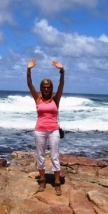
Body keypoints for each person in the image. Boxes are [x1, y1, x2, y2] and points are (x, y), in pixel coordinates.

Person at [26, 58, 65, 195]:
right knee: (40, 156)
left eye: (48, 87)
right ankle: (42, 181)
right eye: (44, 87)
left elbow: (61, 86)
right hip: (40, 131)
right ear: (41, 88)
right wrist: (29, 70)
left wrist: (62, 71)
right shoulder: (37, 98)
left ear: (51, 88)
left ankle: (57, 182)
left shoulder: (56, 98)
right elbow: (30, 85)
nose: (46, 89)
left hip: (54, 130)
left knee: (55, 156)